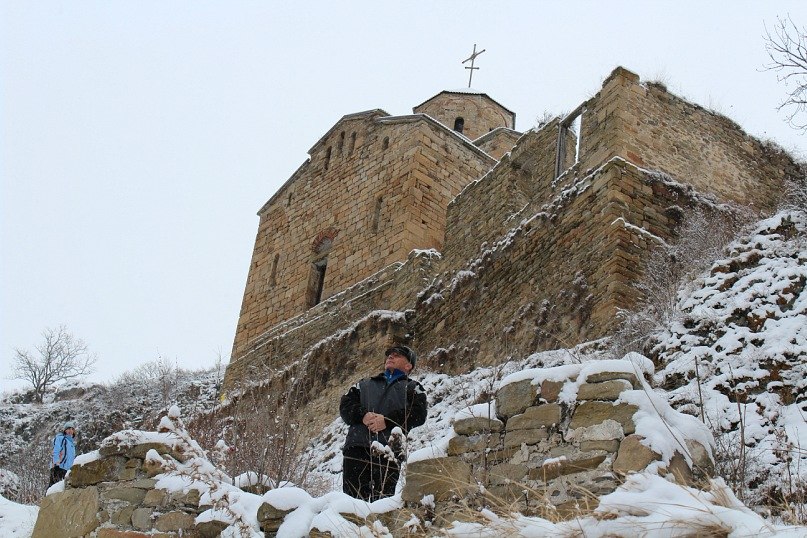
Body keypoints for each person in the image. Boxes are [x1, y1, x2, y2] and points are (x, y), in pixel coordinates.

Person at [340, 345, 428, 501]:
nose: (390, 357)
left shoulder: (413, 388)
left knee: (381, 505)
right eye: (389, 355)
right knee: (352, 503)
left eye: (397, 355)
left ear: (409, 366)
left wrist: (387, 421)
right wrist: (363, 415)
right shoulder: (364, 384)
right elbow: (345, 406)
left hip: (389, 452)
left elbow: (419, 414)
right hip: (357, 447)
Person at [49, 421, 77, 486]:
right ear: (65, 430)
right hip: (59, 467)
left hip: (67, 470)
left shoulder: (72, 444)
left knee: (62, 489)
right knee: (54, 488)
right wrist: (56, 464)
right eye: (68, 429)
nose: (70, 430)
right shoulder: (60, 438)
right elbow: (56, 451)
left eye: (72, 429)